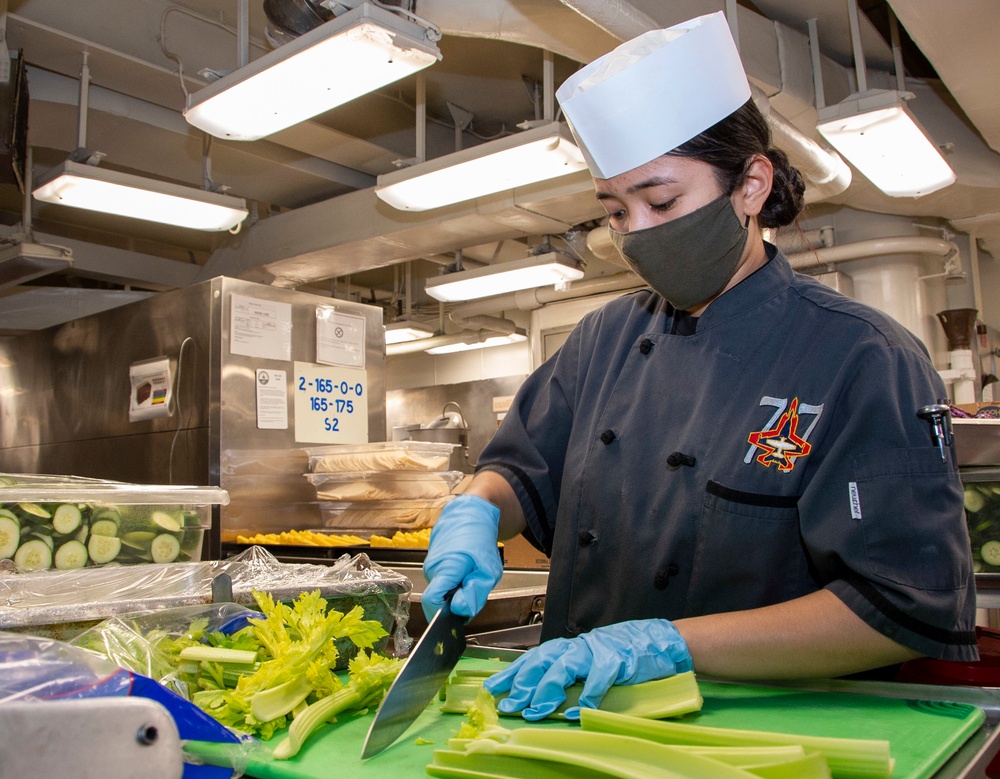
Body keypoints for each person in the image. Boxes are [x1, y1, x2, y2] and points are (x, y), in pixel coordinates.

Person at [421, 11, 977, 722]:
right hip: (567, 722)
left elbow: (897, 606)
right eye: (617, 211)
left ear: (750, 186)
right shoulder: (601, 339)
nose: (638, 235)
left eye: (661, 200)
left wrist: (669, 643)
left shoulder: (864, 357)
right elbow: (522, 471)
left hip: (748, 735)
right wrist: (475, 511)